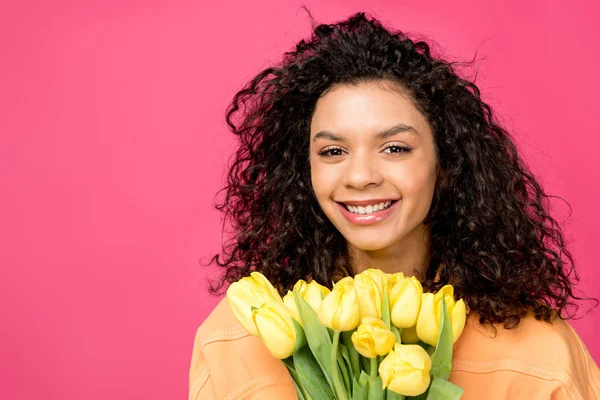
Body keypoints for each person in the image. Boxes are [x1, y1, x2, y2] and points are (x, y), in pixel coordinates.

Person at [188, 11, 600, 400]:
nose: (360, 175)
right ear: (304, 171)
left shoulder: (541, 355)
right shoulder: (236, 338)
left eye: (395, 148)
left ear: (446, 161)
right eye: (333, 151)